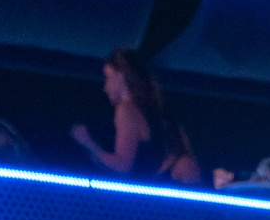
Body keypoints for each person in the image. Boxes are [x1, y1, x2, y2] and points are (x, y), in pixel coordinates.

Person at [72, 49, 199, 184]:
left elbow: (122, 166)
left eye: (108, 77)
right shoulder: (151, 112)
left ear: (120, 76)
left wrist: (88, 143)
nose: (105, 87)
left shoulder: (126, 110)